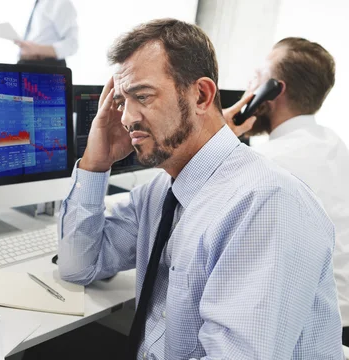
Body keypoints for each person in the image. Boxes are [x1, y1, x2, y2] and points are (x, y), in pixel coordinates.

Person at [58, 18, 343, 359]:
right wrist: (95, 163)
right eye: (121, 102)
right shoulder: (161, 192)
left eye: (142, 97)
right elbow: (78, 265)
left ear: (202, 95)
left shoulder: (267, 204)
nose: (126, 118)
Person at [225, 37, 349, 346]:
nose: (249, 85)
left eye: (258, 76)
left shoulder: (266, 164)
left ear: (274, 90)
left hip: (302, 334)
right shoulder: (333, 144)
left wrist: (219, 139)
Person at [15, 0, 78, 67]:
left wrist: (38, 50)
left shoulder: (60, 2)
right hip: (27, 64)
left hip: (47, 66)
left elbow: (72, 44)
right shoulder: (38, 4)